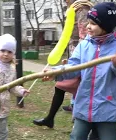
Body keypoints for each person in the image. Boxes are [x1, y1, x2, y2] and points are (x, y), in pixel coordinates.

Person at [43, 3, 116, 140]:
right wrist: (56, 73)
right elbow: (74, 67)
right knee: (76, 137)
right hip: (84, 102)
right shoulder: (85, 44)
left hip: (107, 103)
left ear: (105, 26)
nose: (87, 26)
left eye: (92, 23)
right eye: (88, 22)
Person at [32, 0, 90, 128]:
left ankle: (85, 126)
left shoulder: (82, 8)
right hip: (75, 54)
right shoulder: (73, 8)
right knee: (61, 86)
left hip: (83, 57)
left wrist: (76, 57)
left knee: (79, 89)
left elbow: (86, 35)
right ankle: (51, 119)